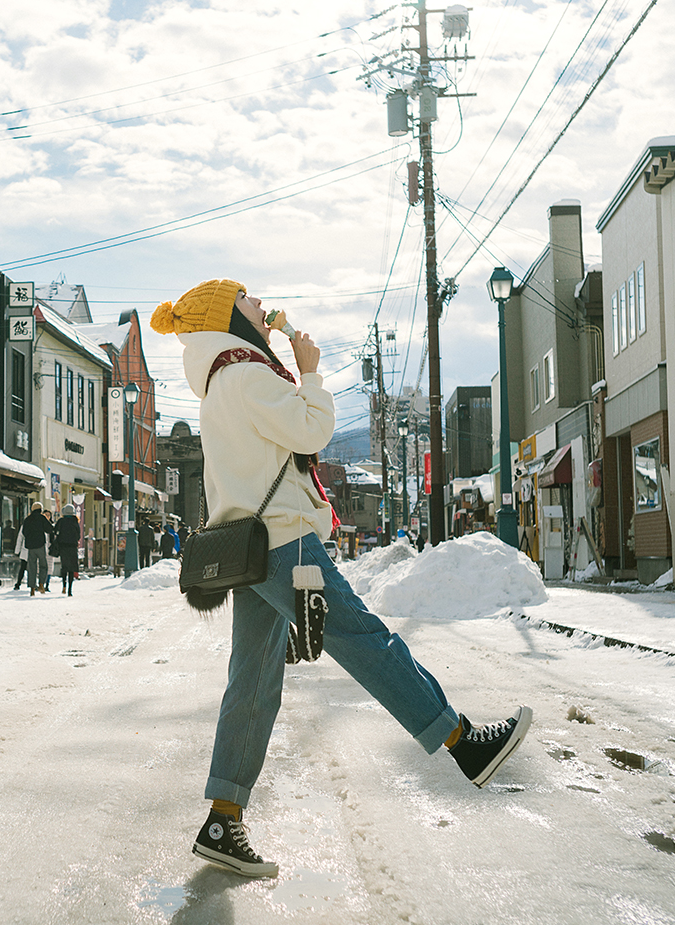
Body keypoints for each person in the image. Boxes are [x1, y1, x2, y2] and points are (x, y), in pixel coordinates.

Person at [151, 279, 532, 879]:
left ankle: (224, 815)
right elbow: (311, 432)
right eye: (247, 298)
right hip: (285, 545)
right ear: (229, 315)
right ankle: (463, 742)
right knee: (364, 640)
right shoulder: (248, 375)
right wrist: (310, 372)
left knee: (250, 682)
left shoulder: (217, 381)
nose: (260, 302)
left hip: (249, 550)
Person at [20, 502, 55, 595]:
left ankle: (32, 587)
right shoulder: (42, 518)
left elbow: (24, 532)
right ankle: (41, 584)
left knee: (32, 567)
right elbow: (49, 529)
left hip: (30, 546)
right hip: (40, 545)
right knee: (43, 565)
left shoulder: (27, 519)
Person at [54, 505, 82, 595]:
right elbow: (78, 536)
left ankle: (64, 586)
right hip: (73, 547)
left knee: (64, 566)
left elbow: (55, 531)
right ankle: (70, 589)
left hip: (63, 547)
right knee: (72, 568)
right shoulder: (75, 522)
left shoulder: (61, 521)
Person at [10, 519, 30, 590]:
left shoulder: (25, 525)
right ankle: (18, 583)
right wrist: (17, 550)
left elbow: (19, 538)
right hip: (26, 549)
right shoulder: (25, 525)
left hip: (28, 549)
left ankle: (23, 583)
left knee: (26, 568)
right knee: (24, 567)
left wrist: (17, 551)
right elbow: (20, 538)